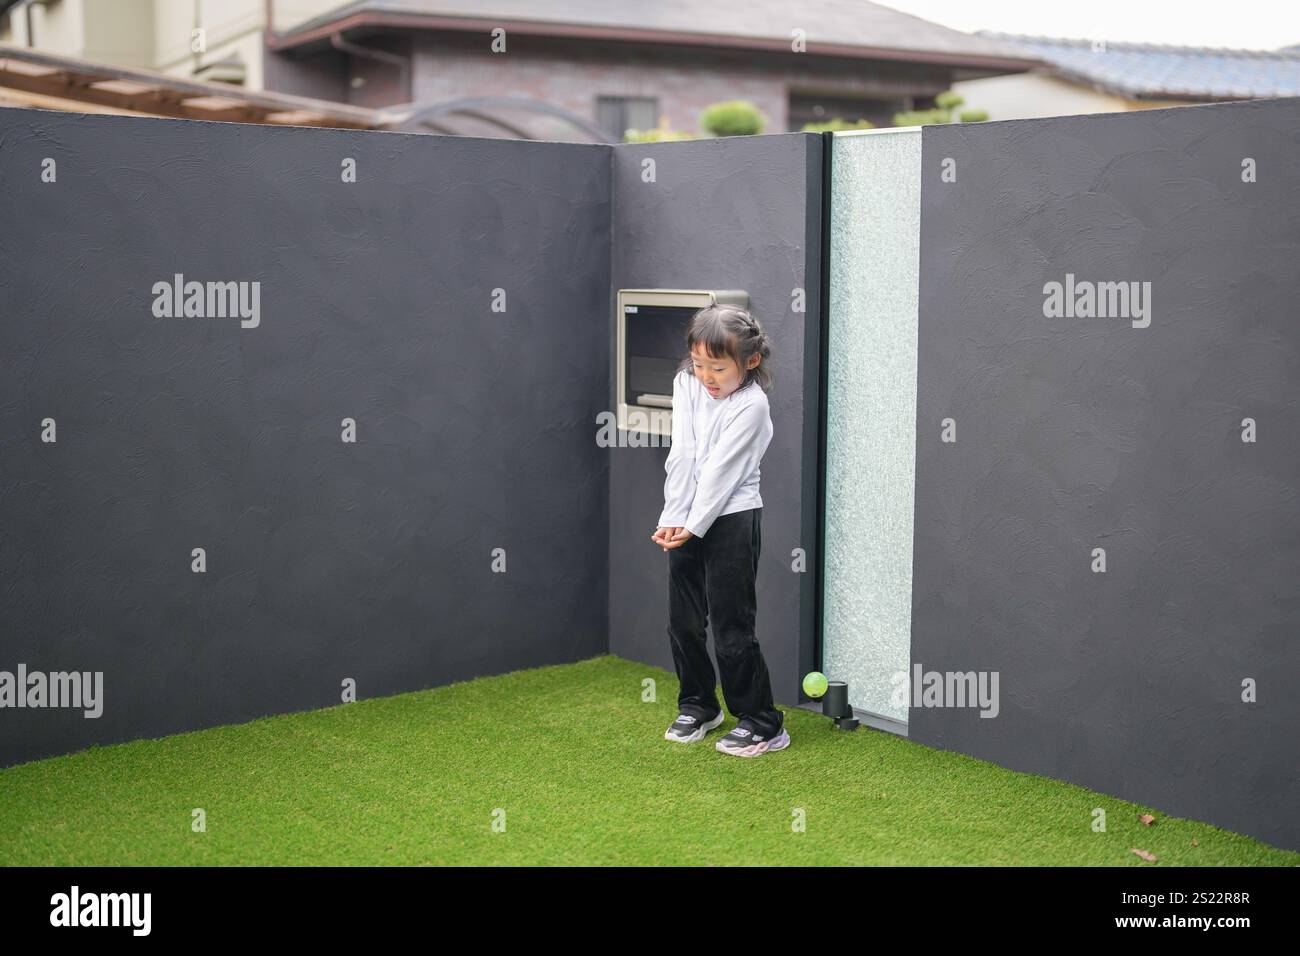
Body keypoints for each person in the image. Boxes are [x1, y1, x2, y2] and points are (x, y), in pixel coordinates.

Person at [651, 304, 789, 757]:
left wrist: (691, 524)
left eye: (718, 366)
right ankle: (699, 705)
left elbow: (720, 472)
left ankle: (762, 721)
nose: (706, 376)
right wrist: (672, 517)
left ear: (750, 361)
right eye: (699, 364)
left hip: (732, 516)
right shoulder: (686, 383)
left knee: (732, 627)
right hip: (689, 515)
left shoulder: (752, 405)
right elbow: (685, 454)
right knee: (683, 621)